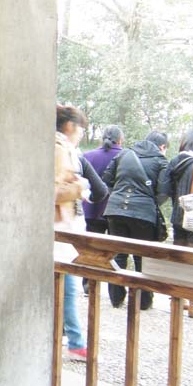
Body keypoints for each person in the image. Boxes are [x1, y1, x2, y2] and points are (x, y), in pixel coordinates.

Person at [103, 131, 169, 310]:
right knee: (142, 256)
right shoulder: (161, 160)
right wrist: (148, 203)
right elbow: (164, 192)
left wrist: (116, 198)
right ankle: (143, 301)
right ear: (162, 147)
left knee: (118, 254)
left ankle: (116, 299)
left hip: (115, 209)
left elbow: (106, 180)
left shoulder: (123, 154)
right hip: (144, 213)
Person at [55, 104, 91, 360]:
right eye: (81, 129)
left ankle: (71, 339)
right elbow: (52, 191)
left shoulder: (63, 149)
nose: (81, 134)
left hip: (62, 229)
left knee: (66, 285)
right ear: (70, 126)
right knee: (67, 285)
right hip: (57, 228)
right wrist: (78, 187)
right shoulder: (58, 150)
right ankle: (75, 341)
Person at [160, 129, 193, 317]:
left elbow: (165, 190)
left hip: (178, 218)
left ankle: (177, 300)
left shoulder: (173, 162)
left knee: (180, 259)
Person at [81, 125, 124, 294]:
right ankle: (115, 290)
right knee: (115, 251)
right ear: (120, 139)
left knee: (91, 250)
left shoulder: (88, 156)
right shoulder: (126, 157)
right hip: (115, 211)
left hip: (91, 209)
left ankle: (88, 285)